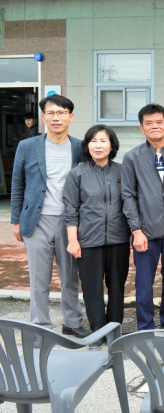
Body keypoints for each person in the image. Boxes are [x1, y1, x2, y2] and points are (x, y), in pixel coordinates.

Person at [10, 94, 88, 338]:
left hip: (70, 223)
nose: (57, 117)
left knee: (70, 277)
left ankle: (72, 322)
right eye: (52, 113)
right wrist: (16, 220)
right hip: (36, 221)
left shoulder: (80, 147)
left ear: (71, 117)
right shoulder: (27, 146)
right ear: (43, 117)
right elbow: (17, 183)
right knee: (38, 279)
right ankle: (40, 327)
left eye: (62, 112)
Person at [63, 125, 129, 348]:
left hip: (119, 239)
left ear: (112, 146)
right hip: (88, 240)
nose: (98, 145)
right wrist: (73, 240)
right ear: (87, 146)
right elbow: (70, 208)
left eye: (103, 141)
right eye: (93, 141)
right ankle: (98, 333)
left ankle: (114, 331)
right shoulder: (77, 174)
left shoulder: (123, 172)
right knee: (92, 288)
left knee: (117, 286)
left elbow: (130, 203)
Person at [121, 104, 164, 331]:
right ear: (141, 127)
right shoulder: (132, 158)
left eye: (159, 122)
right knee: (144, 283)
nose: (154, 126)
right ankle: (145, 326)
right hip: (146, 233)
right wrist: (136, 231)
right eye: (149, 123)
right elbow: (127, 196)